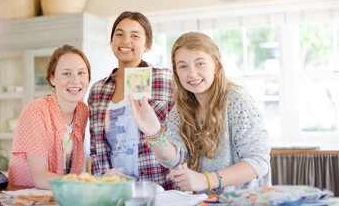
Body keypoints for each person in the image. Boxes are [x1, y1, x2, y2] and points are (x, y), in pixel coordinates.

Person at [129, 32, 271, 193]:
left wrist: (206, 180)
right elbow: (172, 159)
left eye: (200, 64)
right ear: (176, 71)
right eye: (183, 66)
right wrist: (154, 132)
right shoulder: (181, 108)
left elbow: (258, 162)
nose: (192, 73)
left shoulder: (236, 101)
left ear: (216, 66)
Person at [88, 11, 175, 189]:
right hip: (115, 188)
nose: (126, 40)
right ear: (112, 40)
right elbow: (97, 147)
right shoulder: (98, 90)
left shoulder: (164, 79)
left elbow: (180, 133)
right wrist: (104, 182)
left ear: (147, 44)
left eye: (135, 35)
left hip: (160, 188)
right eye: (119, 34)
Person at [8, 44, 91, 189]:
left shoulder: (82, 110)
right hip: (28, 198)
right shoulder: (36, 111)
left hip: (60, 195)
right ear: (52, 78)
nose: (75, 80)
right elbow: (40, 177)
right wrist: (84, 183)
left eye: (81, 73)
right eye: (66, 73)